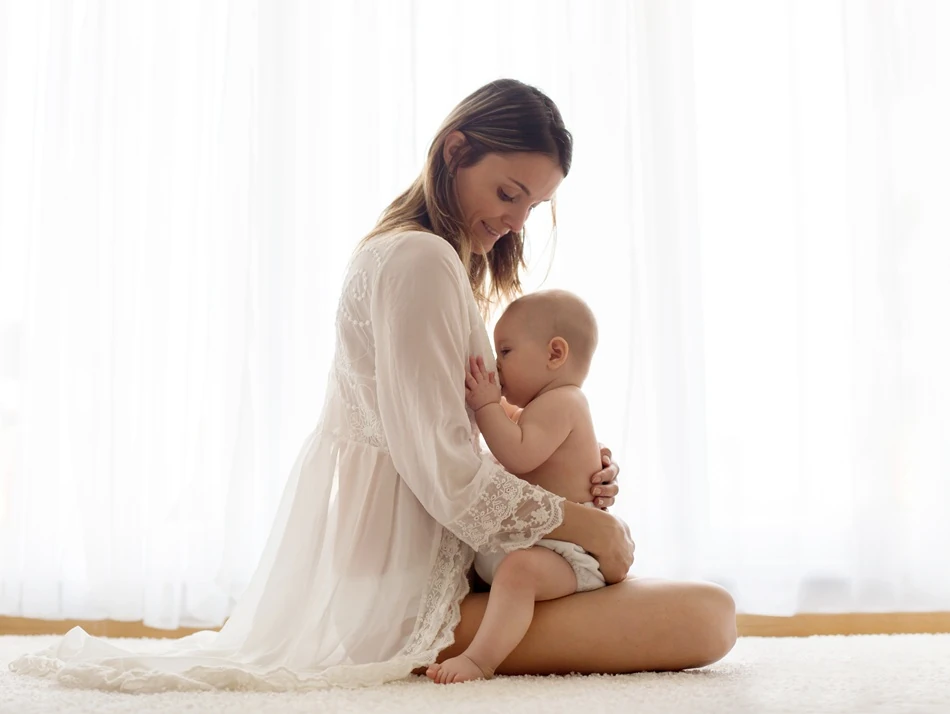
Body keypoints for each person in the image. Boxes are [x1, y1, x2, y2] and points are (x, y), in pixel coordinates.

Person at [10, 79, 736, 692]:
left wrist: (568, 466)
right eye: (508, 193)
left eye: (530, 207)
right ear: (455, 150)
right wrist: (592, 529)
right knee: (706, 616)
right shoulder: (419, 261)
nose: (516, 222)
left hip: (423, 548)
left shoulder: (425, 258)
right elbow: (445, 475)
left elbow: (454, 438)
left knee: (701, 609)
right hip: (404, 571)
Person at [429, 289, 610, 683]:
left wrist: (486, 406)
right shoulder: (543, 408)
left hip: (566, 553)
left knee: (519, 572)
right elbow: (516, 426)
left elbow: (519, 454)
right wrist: (497, 408)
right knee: (504, 568)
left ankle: (480, 660)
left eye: (506, 352)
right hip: (530, 542)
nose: (497, 364)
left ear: (555, 354)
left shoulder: (565, 402)